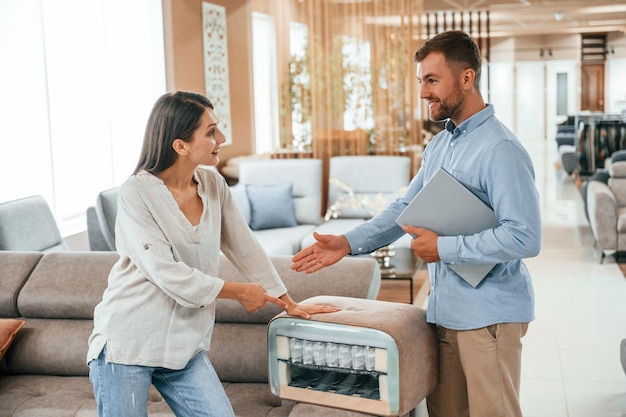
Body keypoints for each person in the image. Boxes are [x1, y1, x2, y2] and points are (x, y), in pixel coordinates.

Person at [292, 30, 541, 417]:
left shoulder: (501, 149)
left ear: (467, 78)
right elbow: (406, 207)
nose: (423, 93)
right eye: (421, 81)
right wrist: (347, 243)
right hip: (444, 313)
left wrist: (443, 248)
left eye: (432, 80)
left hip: (489, 317)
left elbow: (524, 236)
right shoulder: (441, 144)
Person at [87, 91, 338, 417]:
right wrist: (237, 291)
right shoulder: (137, 192)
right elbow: (165, 272)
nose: (222, 138)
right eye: (210, 132)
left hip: (183, 346)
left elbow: (244, 247)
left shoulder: (212, 183)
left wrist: (288, 302)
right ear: (181, 145)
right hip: (128, 343)